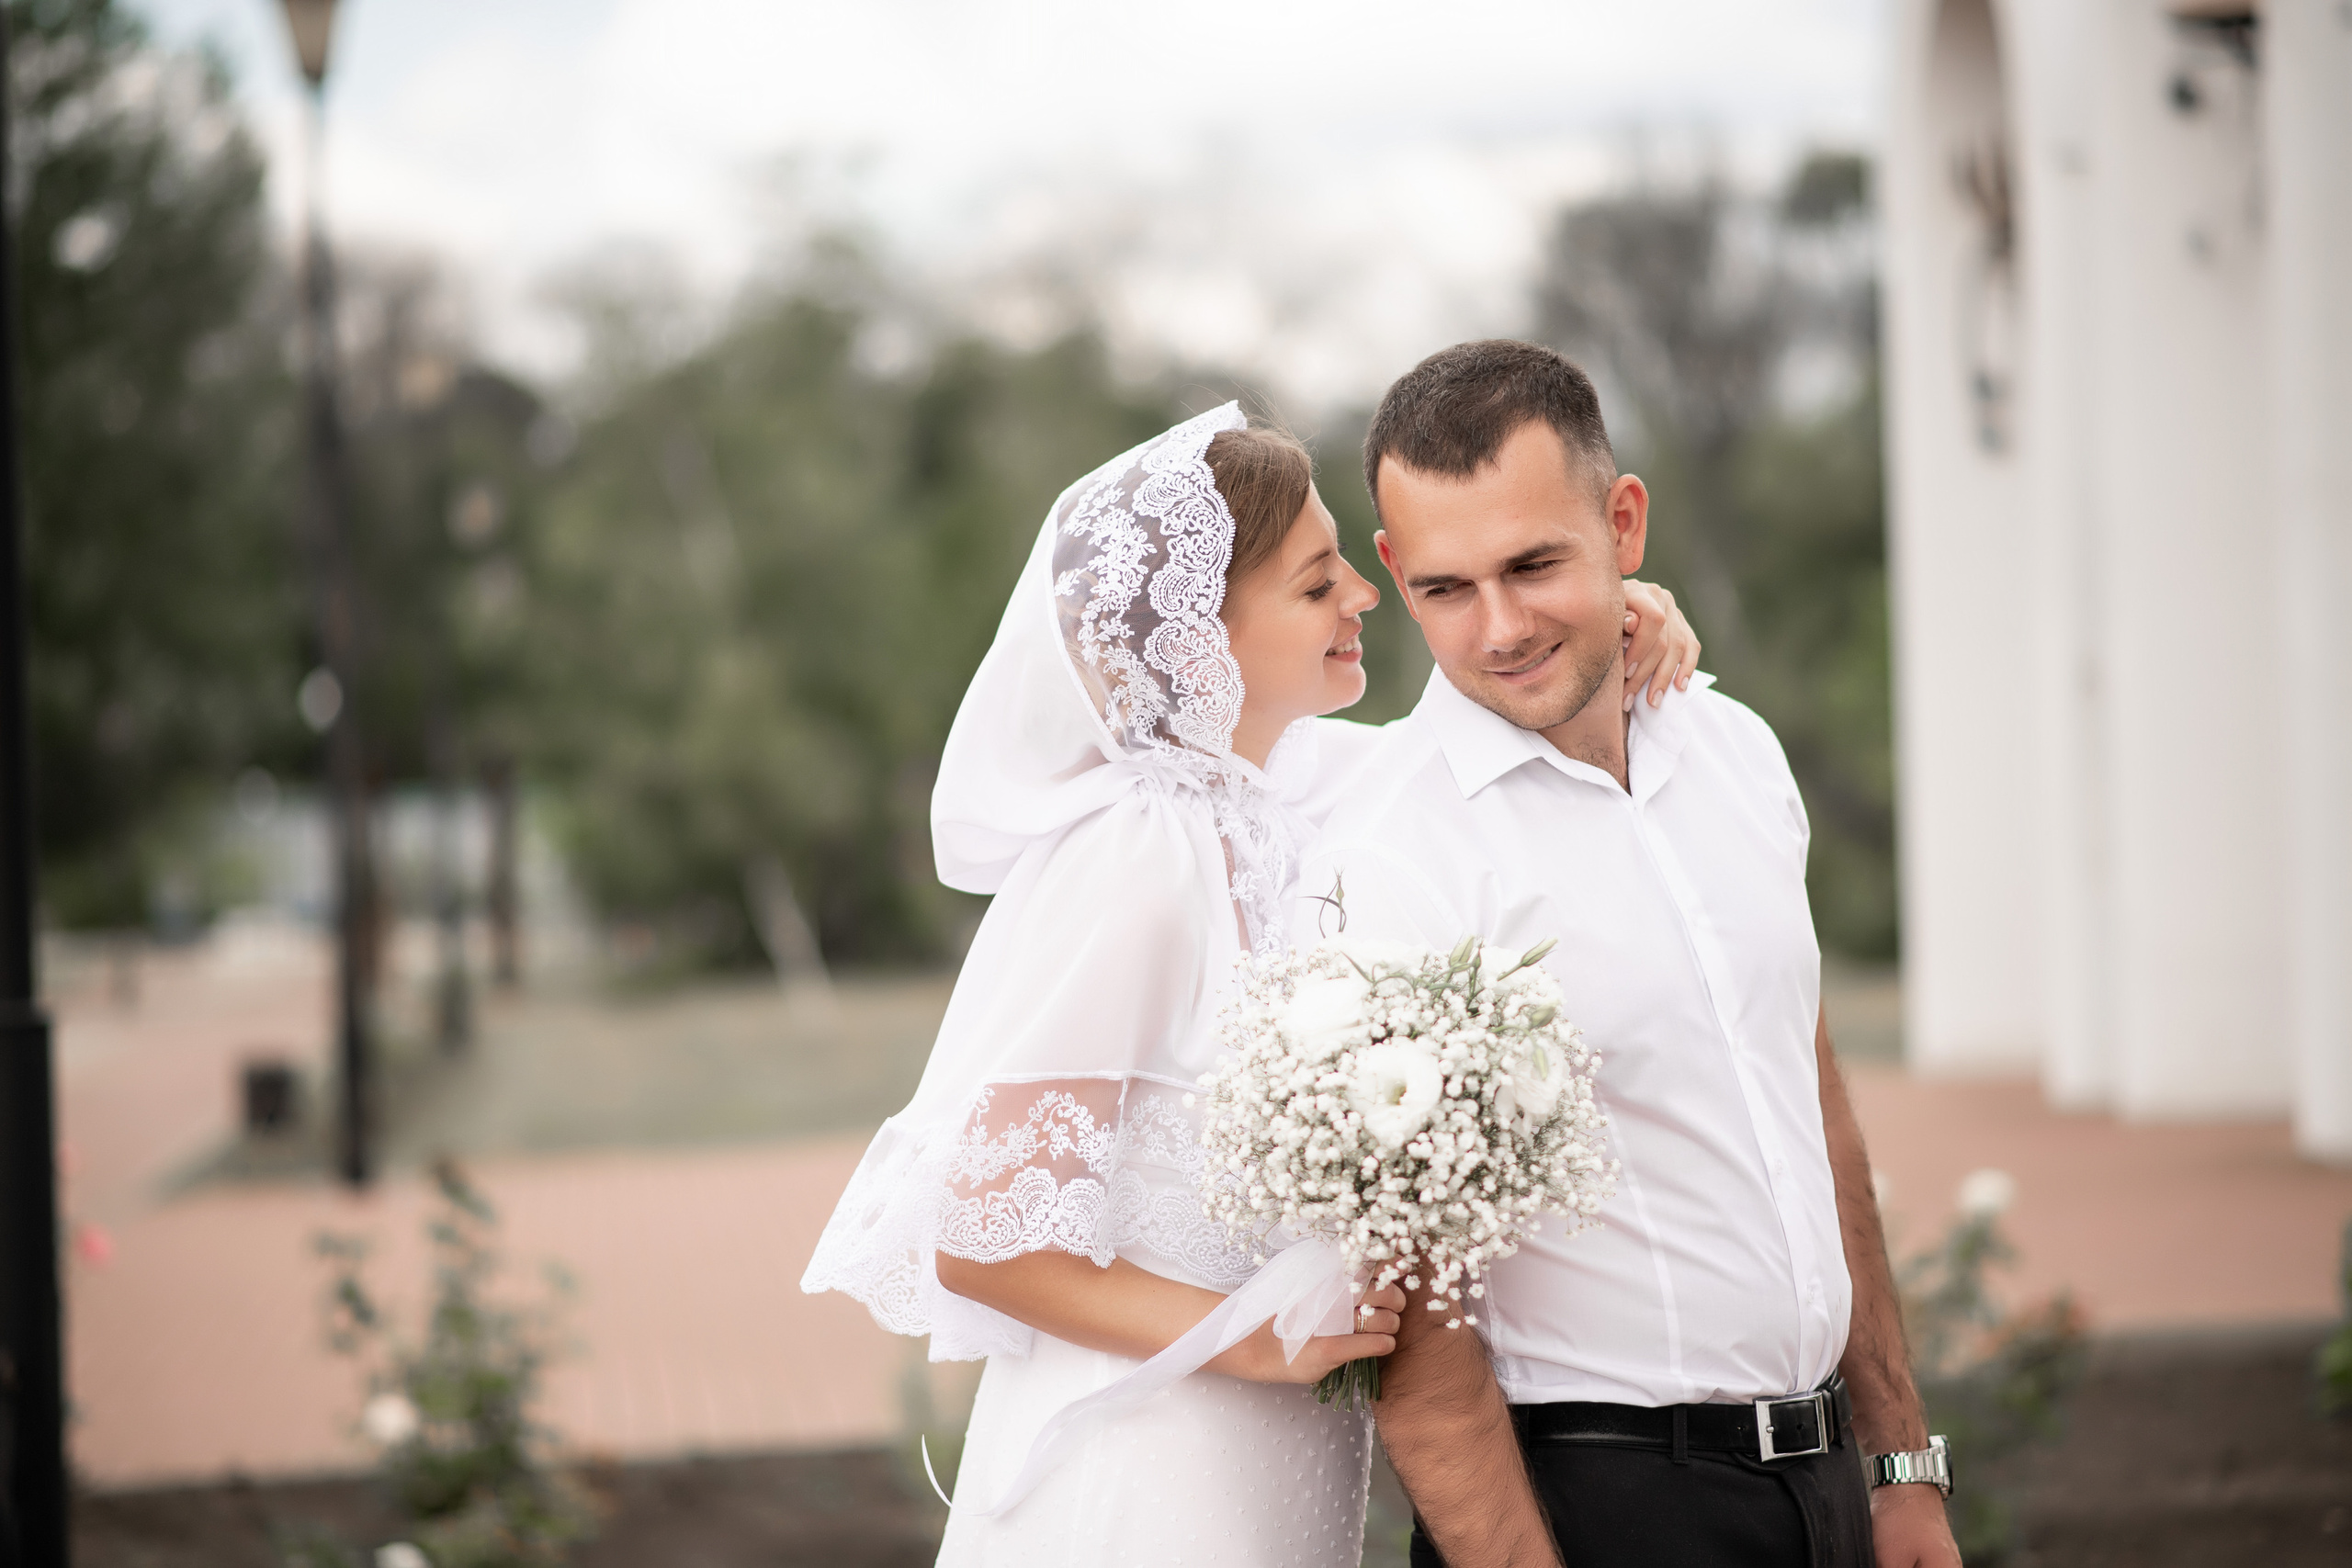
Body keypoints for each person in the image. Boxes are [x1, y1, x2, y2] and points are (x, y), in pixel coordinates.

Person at [801, 400, 1700, 1567]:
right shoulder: (1136, 852)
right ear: (1197, 636)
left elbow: (1479, 734)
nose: (1361, 599)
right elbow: (983, 1235)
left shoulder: (1285, 790)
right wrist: (1247, 1337)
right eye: (1317, 582)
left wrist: (1625, 613)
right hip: (1150, 1462)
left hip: (1272, 1455)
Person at [1295, 339, 1960, 1568]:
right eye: (1447, 587)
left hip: (1829, 1489)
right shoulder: (1392, 852)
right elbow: (1418, 1346)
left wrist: (1899, 1459)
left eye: (1535, 563)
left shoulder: (1738, 751)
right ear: (1392, 570)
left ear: (1625, 522)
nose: (1498, 628)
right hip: (1595, 1507)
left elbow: (1811, 1105)